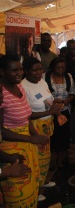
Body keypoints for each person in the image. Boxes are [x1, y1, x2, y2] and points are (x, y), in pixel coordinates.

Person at [0, 55, 49, 206]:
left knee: (32, 186)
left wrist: (35, 134)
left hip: (27, 146)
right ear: (2, 72)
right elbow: (1, 131)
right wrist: (30, 139)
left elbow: (26, 116)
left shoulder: (19, 86)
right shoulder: (1, 94)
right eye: (14, 70)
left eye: (20, 69)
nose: (19, 73)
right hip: (11, 150)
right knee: (19, 193)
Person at [21, 57, 66, 201]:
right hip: (35, 127)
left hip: (48, 124)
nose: (38, 73)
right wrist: (50, 112)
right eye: (34, 70)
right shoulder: (23, 87)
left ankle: (44, 181)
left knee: (46, 157)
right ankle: (37, 189)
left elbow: (49, 100)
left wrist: (57, 114)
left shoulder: (42, 81)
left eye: (40, 69)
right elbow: (26, 115)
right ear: (26, 71)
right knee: (37, 159)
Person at [45, 57, 75, 168]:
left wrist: (65, 101)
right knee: (53, 136)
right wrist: (55, 101)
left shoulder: (68, 77)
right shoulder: (46, 77)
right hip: (50, 111)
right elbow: (44, 95)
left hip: (65, 110)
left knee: (63, 136)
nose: (60, 70)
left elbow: (72, 93)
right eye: (58, 67)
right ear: (53, 67)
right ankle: (52, 160)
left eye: (63, 67)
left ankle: (61, 160)